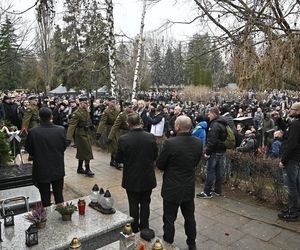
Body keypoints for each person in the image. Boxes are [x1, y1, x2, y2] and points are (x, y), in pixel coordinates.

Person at [157, 116, 203, 250]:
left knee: (169, 219)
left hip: (172, 187)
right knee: (190, 218)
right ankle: (192, 244)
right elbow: (195, 161)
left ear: (177, 127)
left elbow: (160, 164)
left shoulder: (171, 143)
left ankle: (168, 243)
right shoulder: (198, 142)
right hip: (188, 186)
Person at [116, 113, 158, 233]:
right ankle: (144, 226)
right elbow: (155, 155)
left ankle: (134, 227)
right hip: (147, 175)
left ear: (128, 124)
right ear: (140, 122)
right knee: (145, 202)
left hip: (131, 176)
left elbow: (118, 159)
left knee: (133, 203)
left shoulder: (123, 139)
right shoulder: (150, 137)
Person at [25, 108, 67, 207]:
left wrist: (39, 154)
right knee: (59, 196)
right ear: (51, 117)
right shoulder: (60, 130)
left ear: (39, 117)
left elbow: (29, 149)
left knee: (45, 197)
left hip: (41, 168)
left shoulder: (33, 132)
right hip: (57, 166)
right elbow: (64, 146)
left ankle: (48, 218)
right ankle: (62, 216)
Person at [197, 106, 227, 198]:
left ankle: (207, 192)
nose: (208, 115)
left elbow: (212, 141)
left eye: (209, 113)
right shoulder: (223, 123)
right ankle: (218, 190)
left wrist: (207, 152)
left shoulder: (214, 125)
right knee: (219, 172)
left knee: (210, 171)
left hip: (214, 152)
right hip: (221, 151)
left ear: (214, 114)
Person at [278, 102, 300, 221]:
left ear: (297, 111)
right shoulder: (295, 123)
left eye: (292, 109)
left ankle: (292, 212)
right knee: (296, 184)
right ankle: (294, 208)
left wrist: (283, 160)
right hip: (297, 158)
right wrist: (279, 120)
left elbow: (291, 144)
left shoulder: (296, 124)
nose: (289, 110)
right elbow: (288, 131)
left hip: (292, 159)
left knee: (291, 186)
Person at [66, 96, 95, 177]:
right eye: (85, 103)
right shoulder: (77, 113)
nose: (87, 104)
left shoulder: (86, 111)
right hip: (81, 134)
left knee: (82, 152)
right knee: (87, 151)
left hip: (87, 133)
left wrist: (91, 126)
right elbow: (72, 126)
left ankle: (79, 168)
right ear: (81, 104)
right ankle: (87, 168)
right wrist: (68, 138)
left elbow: (88, 120)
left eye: (87, 103)